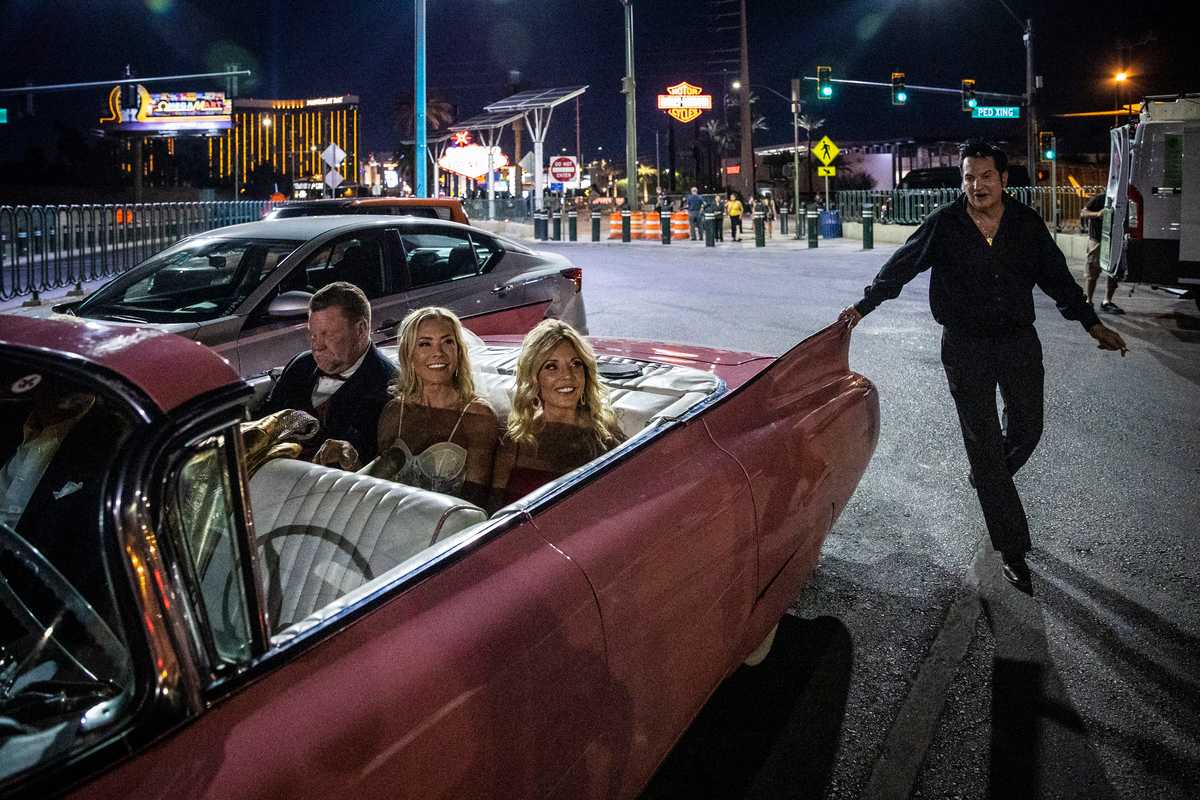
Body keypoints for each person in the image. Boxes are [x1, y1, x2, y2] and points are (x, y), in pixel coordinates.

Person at [837, 139, 1129, 593]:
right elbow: (901, 266)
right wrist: (861, 308)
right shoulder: (945, 224)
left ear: (1004, 179)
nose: (977, 185)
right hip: (966, 347)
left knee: (1028, 429)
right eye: (969, 177)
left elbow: (1057, 279)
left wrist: (1091, 325)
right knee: (984, 442)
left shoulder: (1025, 224)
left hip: (1018, 342)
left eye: (986, 176)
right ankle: (1013, 549)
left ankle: (987, 474)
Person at [490, 320, 626, 511]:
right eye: (551, 367)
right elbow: (493, 511)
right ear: (533, 377)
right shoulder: (515, 441)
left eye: (576, 364)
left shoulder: (605, 435)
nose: (568, 376)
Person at [262, 281, 397, 471]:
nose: (317, 346)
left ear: (360, 329)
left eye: (328, 335)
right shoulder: (300, 365)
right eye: (313, 335)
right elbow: (266, 419)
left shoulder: (389, 386)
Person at [375, 307, 498, 506]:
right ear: (409, 355)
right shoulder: (394, 412)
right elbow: (379, 486)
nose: (438, 353)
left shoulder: (478, 416)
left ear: (458, 351)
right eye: (425, 344)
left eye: (447, 342)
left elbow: (476, 502)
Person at [1080, 191, 1123, 314]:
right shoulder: (1101, 198)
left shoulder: (1122, 201)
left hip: (1114, 240)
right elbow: (1083, 212)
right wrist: (1098, 214)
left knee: (1113, 272)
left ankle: (1107, 301)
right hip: (1097, 239)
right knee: (1092, 270)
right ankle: (1089, 301)